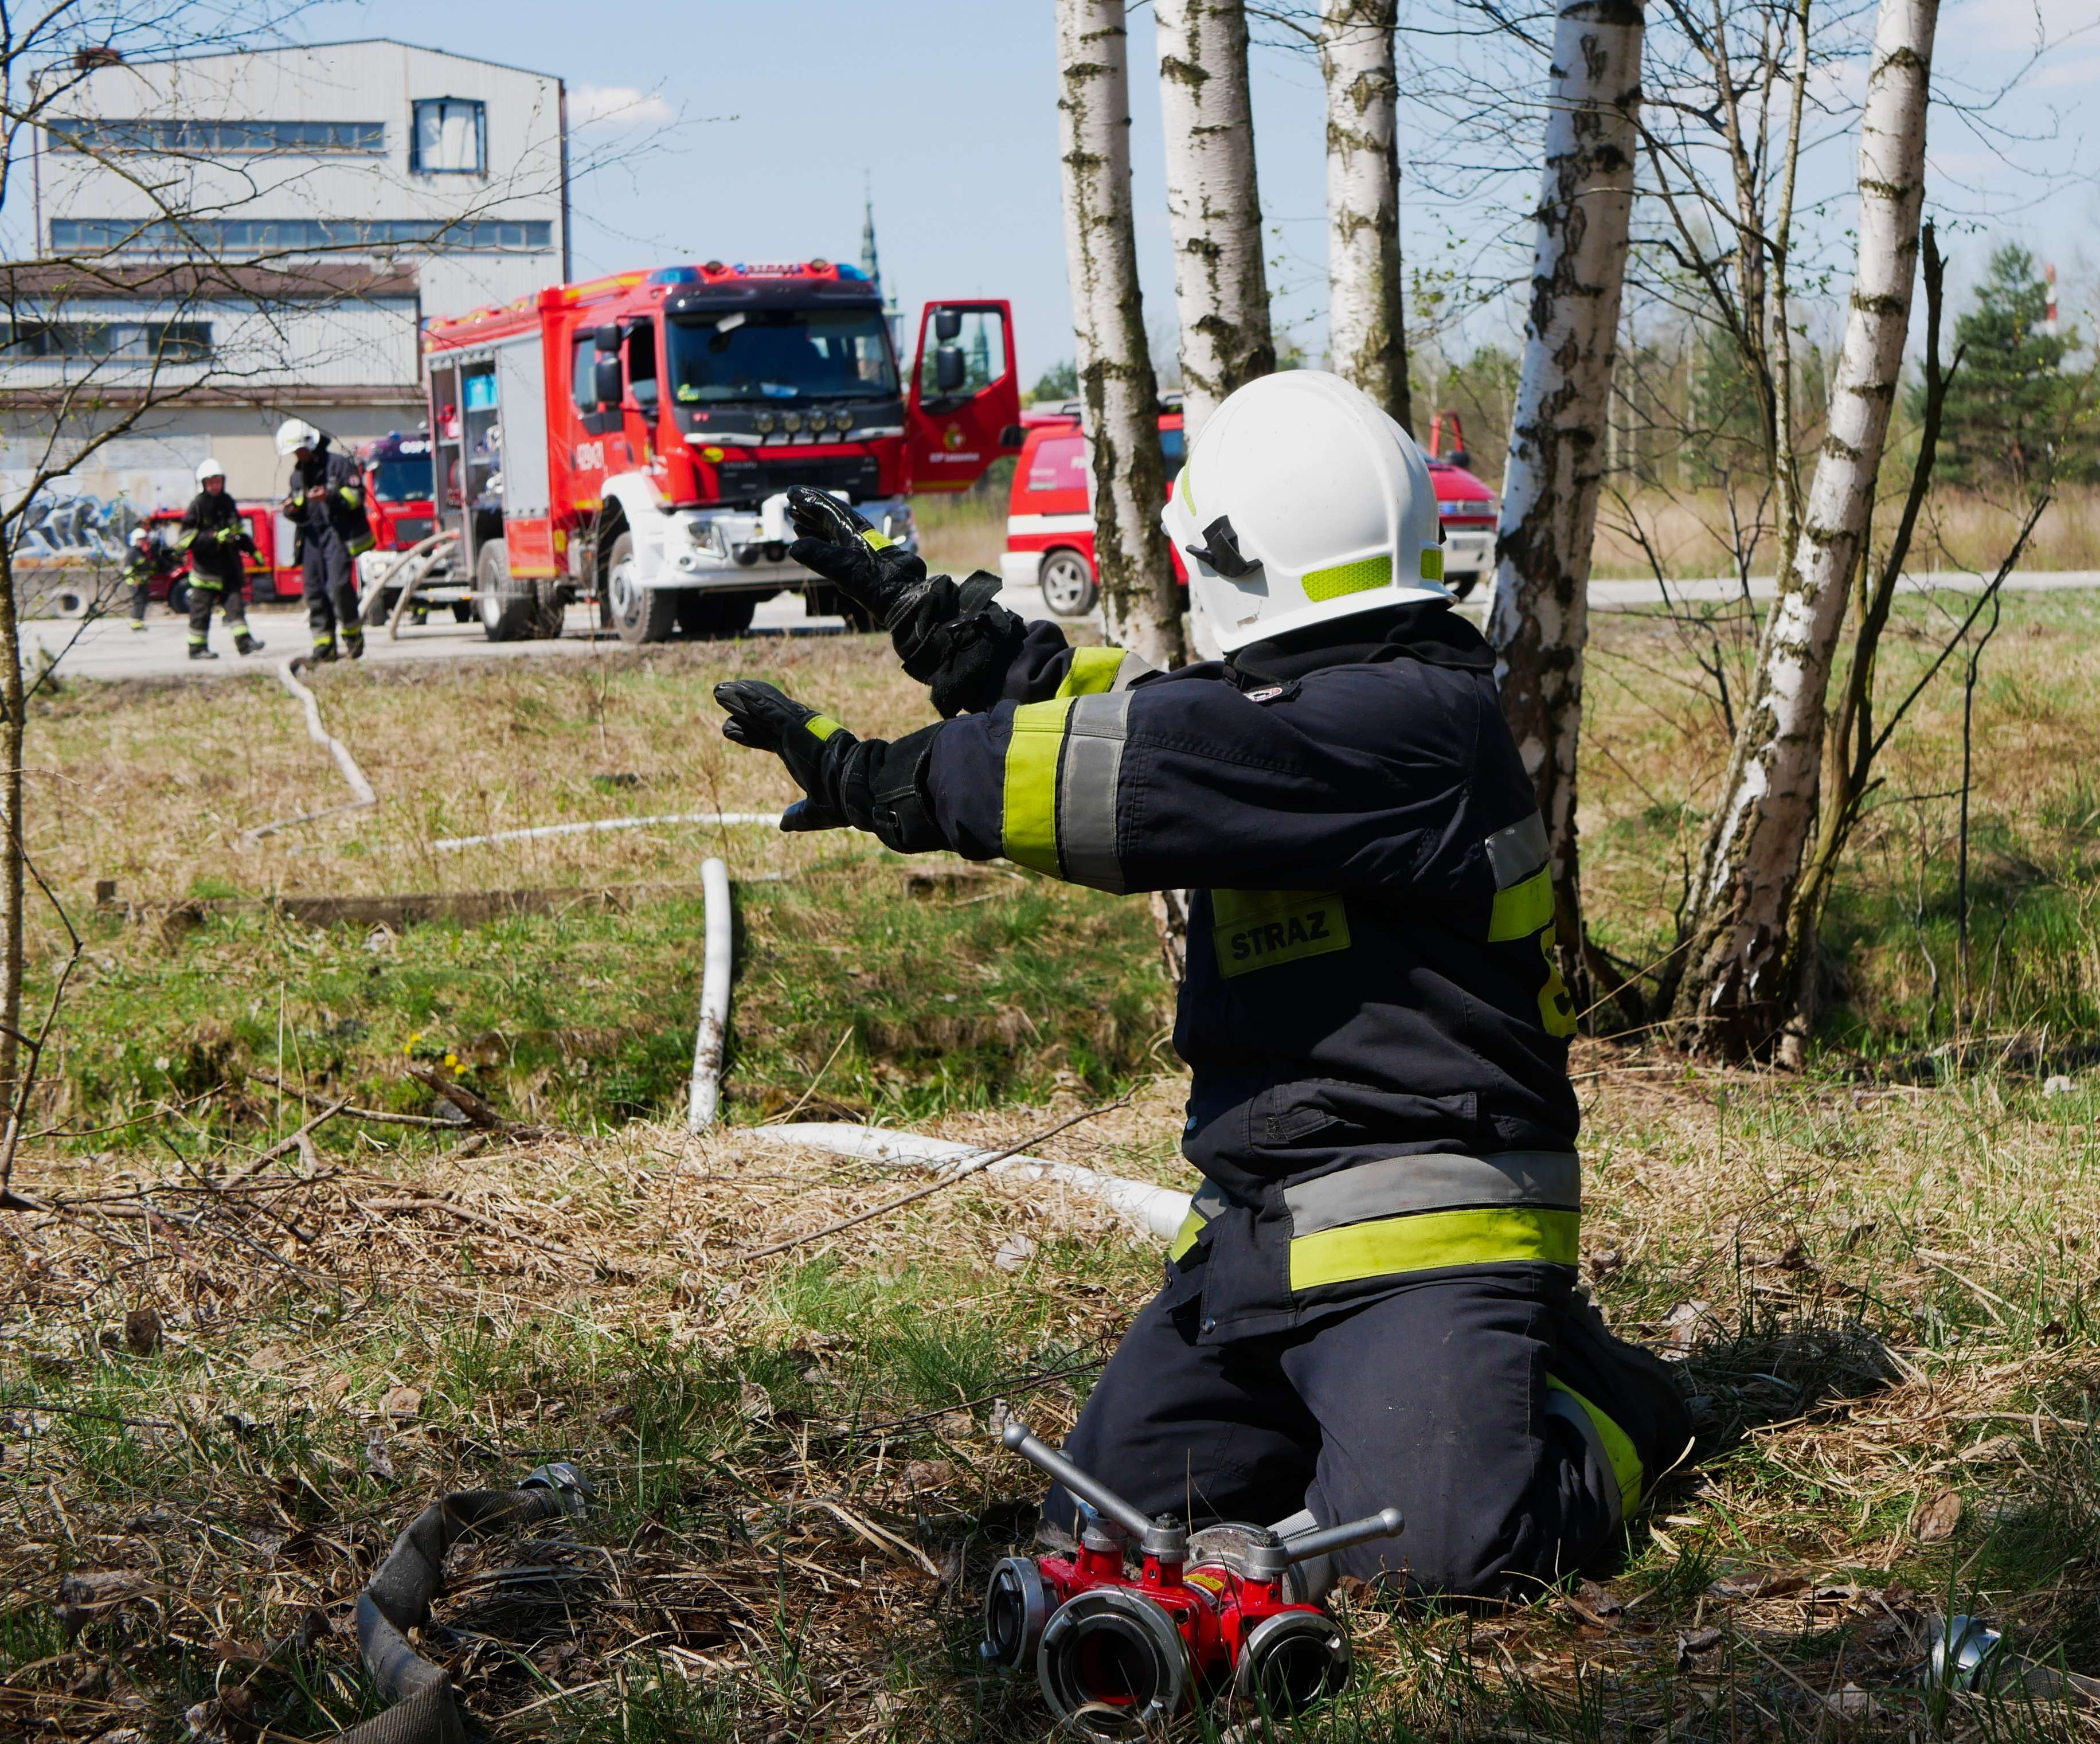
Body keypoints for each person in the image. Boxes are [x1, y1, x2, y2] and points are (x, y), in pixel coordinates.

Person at [714, 370, 1690, 1602]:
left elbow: (1147, 764)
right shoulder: (1326, 706)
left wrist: (889, 780)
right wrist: (964, 645)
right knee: (1101, 1532)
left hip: (1430, 1237)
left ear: (1229, 562)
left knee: (1433, 1553)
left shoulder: (1414, 721)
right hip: (1254, 1237)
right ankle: (1367, 1419)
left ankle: (1612, 1404)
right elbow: (1163, 721)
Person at [276, 417, 370, 663]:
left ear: (310, 444)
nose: (298, 455)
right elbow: (299, 508)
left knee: (338, 587)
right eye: (294, 452)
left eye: (300, 450)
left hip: (337, 535)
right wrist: (291, 510)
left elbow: (357, 496)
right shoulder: (298, 476)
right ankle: (324, 646)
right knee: (314, 591)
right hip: (312, 540)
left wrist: (330, 496)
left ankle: (353, 639)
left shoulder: (338, 465)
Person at [176, 459, 260, 659]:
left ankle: (245, 643)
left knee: (236, 607)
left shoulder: (228, 502)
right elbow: (185, 539)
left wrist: (252, 550)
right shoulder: (197, 506)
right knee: (201, 612)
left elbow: (238, 530)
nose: (215, 486)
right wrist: (213, 538)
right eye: (211, 482)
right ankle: (197, 649)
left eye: (218, 482)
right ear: (203, 484)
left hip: (229, 568)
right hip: (206, 572)